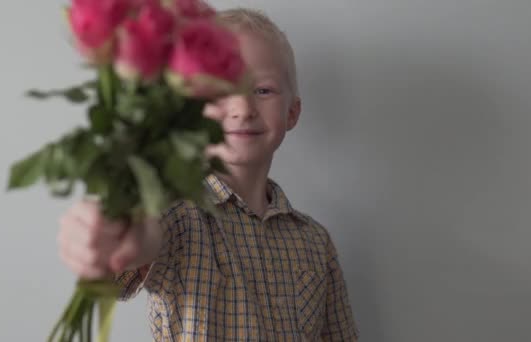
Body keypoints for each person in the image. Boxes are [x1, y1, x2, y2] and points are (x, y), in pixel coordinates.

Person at [57, 7, 358, 341]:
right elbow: (140, 243)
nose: (242, 109)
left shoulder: (315, 242)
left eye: (263, 90)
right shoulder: (176, 214)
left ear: (292, 112)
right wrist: (112, 234)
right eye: (220, 89)